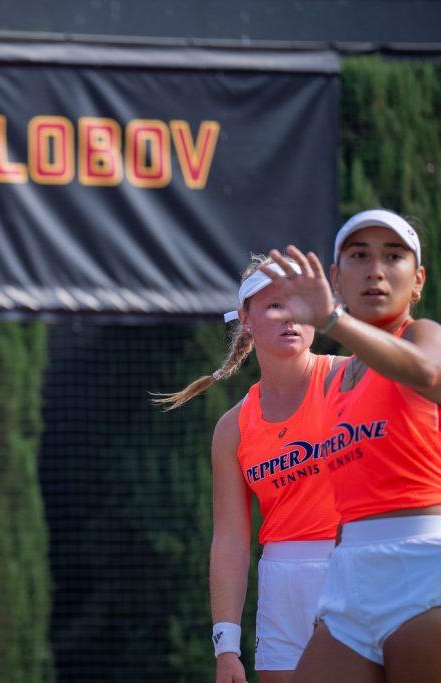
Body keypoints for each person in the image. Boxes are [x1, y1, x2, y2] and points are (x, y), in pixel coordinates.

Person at [257, 209, 441, 682]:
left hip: (424, 568)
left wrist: (333, 319)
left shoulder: (424, 335)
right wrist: (337, 585)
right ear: (336, 277)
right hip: (351, 585)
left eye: (393, 256)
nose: (376, 269)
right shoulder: (338, 380)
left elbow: (427, 372)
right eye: (360, 255)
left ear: (417, 281)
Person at [155, 255, 341, 683]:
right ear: (246, 319)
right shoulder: (233, 428)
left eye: (300, 303)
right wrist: (226, 647)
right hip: (280, 584)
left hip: (351, 571)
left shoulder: (347, 380)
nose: (290, 317)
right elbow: (231, 541)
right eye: (274, 305)